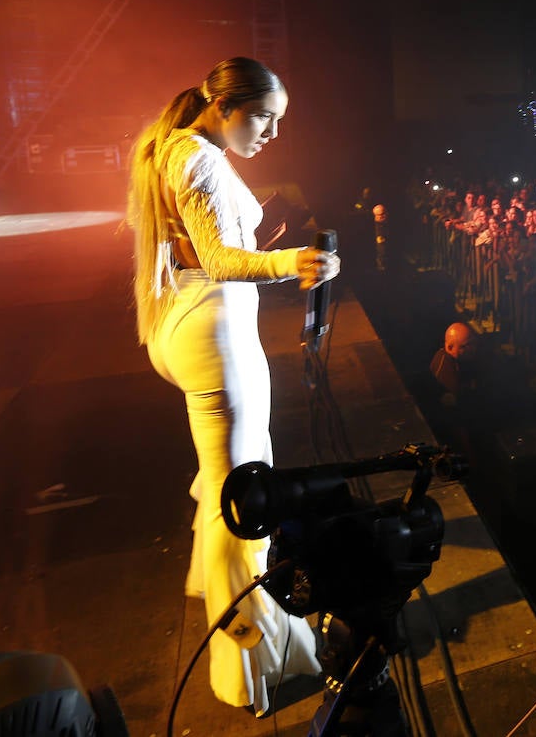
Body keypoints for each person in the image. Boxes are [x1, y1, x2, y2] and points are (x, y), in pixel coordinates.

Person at [127, 58, 338, 715]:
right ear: (224, 107)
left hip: (191, 324)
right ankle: (248, 659)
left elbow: (199, 242)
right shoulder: (200, 158)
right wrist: (291, 260)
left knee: (232, 480)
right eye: (264, 119)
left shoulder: (174, 146)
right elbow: (219, 259)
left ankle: (238, 615)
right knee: (245, 498)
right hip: (214, 332)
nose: (271, 133)